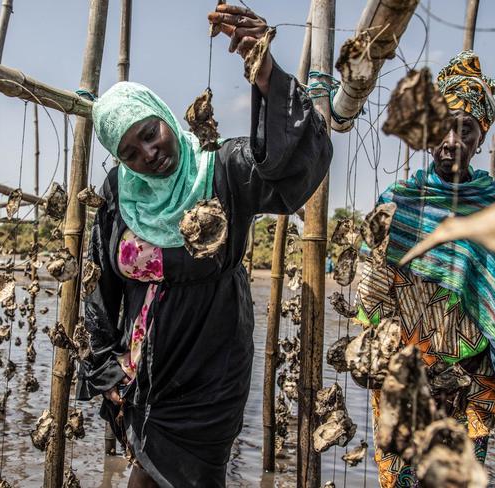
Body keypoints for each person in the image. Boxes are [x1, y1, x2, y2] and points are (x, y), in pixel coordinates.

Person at [76, 4, 333, 487]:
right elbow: (101, 280)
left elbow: (287, 170)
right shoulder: (119, 192)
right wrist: (106, 364)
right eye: (130, 152)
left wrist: (266, 74)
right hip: (143, 377)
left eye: (150, 134)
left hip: (209, 376)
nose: (148, 155)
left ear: (164, 118)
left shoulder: (222, 167)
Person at [354, 50, 495, 487]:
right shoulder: (398, 202)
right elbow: (370, 285)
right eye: (444, 127)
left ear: (480, 138)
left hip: (471, 381)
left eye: (466, 129)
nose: (452, 140)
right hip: (406, 375)